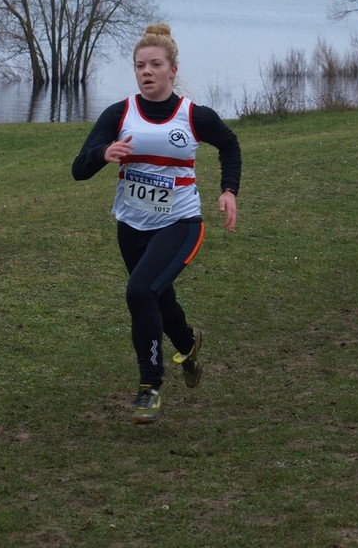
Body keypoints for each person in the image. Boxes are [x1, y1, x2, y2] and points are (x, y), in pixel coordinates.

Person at [72, 23, 241, 424]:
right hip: (132, 226)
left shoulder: (193, 116)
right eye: (139, 66)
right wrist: (103, 153)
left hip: (181, 222)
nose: (146, 72)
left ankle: (149, 385)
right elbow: (79, 168)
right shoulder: (119, 114)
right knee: (156, 296)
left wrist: (228, 190)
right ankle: (188, 342)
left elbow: (229, 144)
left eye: (155, 65)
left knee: (140, 292)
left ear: (172, 70)